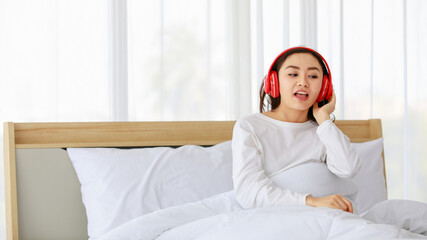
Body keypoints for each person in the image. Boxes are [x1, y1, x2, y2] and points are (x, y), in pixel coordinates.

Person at [232, 46, 361, 214]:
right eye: (293, 74)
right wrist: (311, 202)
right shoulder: (249, 127)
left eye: (313, 76)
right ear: (274, 81)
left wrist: (324, 119)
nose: (303, 82)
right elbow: (250, 193)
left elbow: (348, 168)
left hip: (325, 217)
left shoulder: (324, 131)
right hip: (275, 216)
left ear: (324, 88)